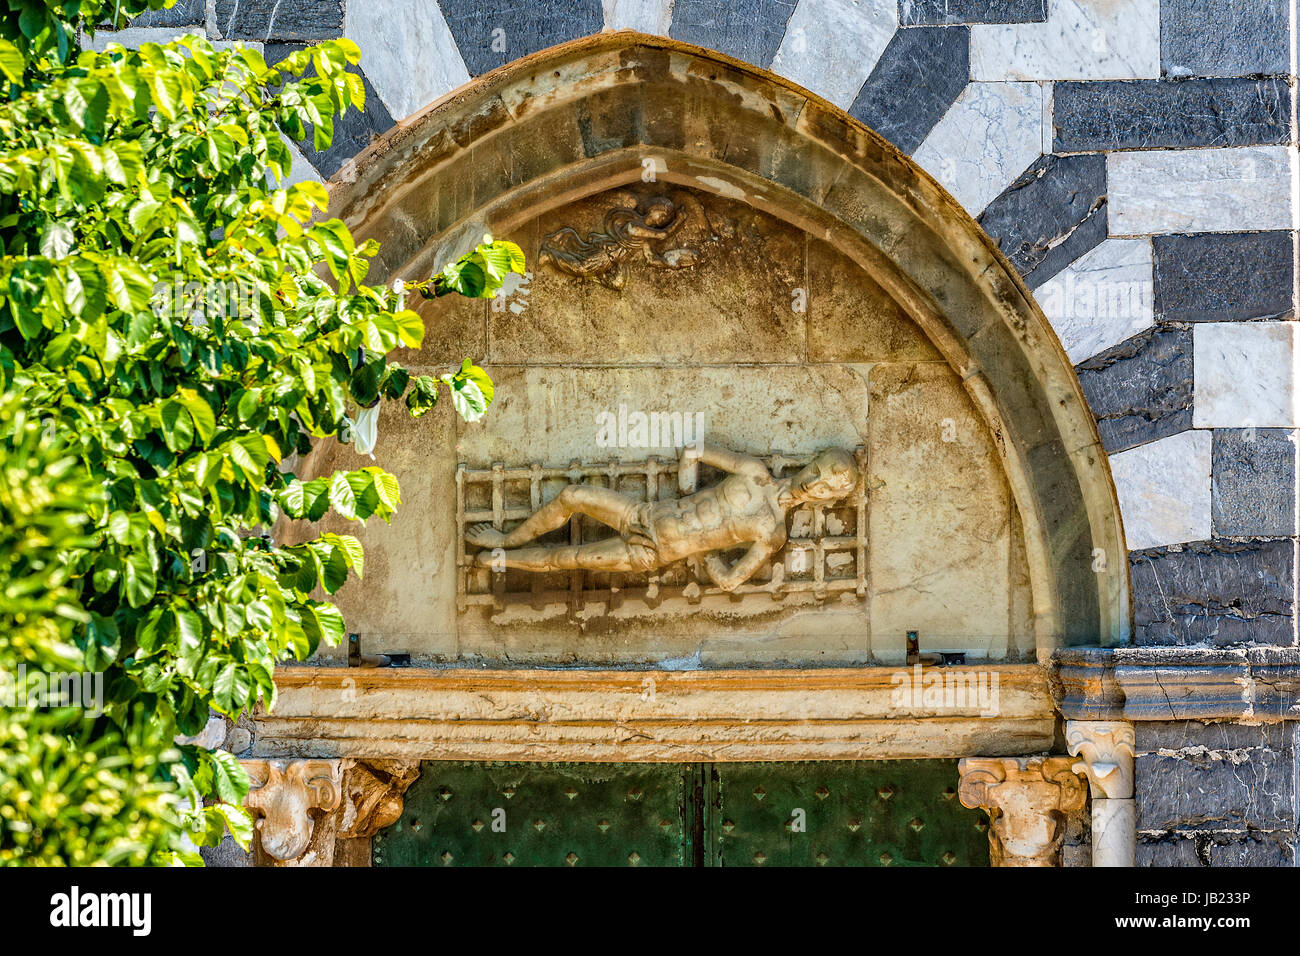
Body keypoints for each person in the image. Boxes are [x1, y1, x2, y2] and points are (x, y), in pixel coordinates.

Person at [466, 444, 858, 592]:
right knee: (573, 494)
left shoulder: (773, 534)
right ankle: (506, 539)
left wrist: (703, 549)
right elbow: (693, 450)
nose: (815, 484)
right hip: (647, 514)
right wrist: (688, 493)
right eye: (818, 471)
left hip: (652, 551)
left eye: (826, 488)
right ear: (812, 461)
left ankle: (501, 559)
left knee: (567, 558)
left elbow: (728, 581)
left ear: (827, 501)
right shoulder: (754, 472)